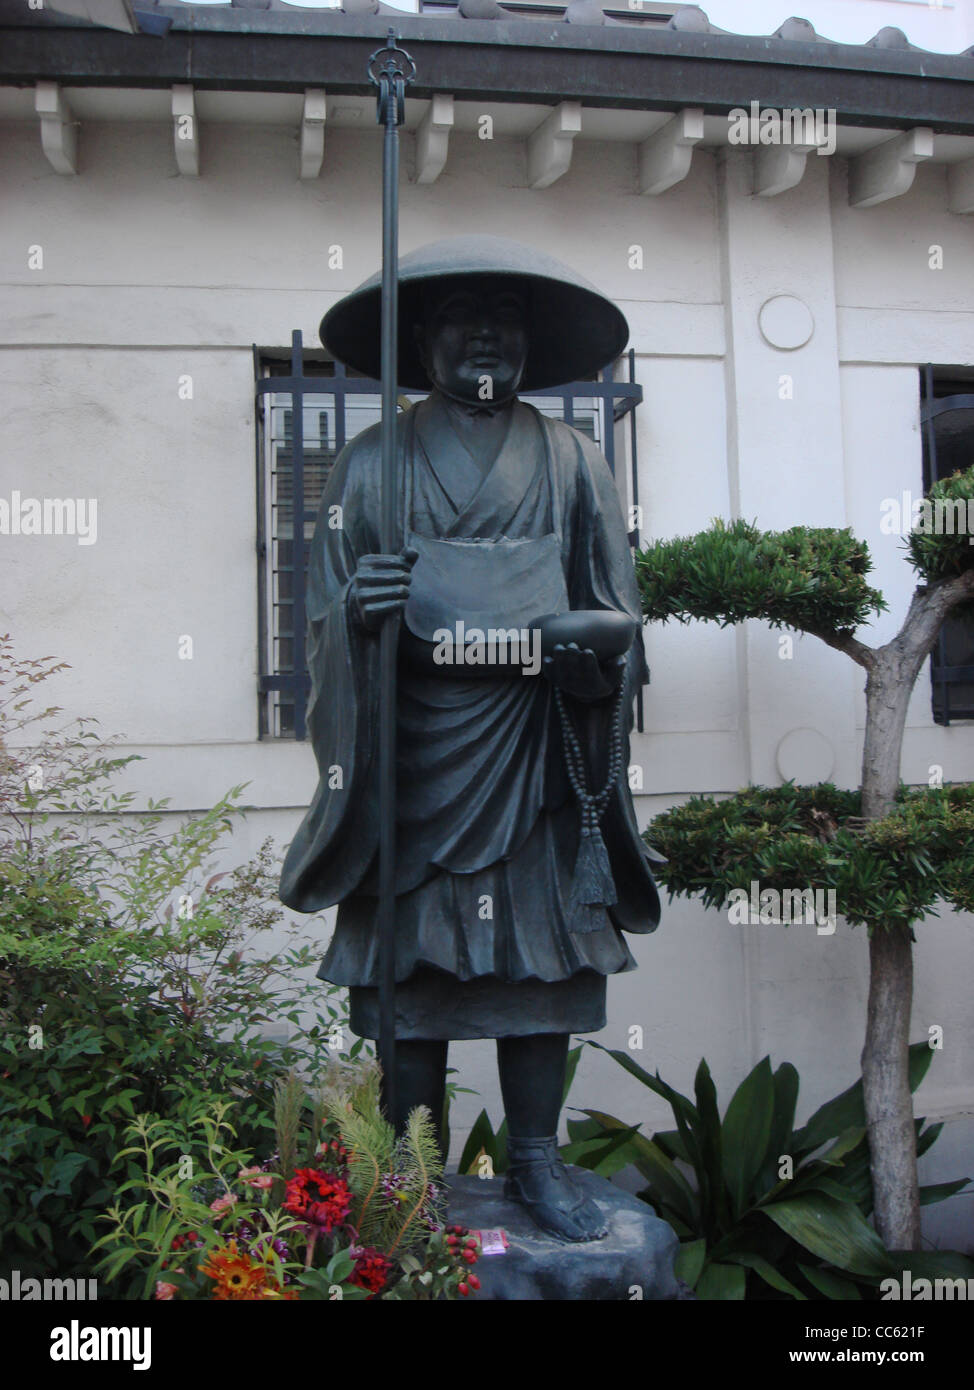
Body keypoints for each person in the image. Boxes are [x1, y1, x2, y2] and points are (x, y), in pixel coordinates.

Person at [280, 235, 663, 1242]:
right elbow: (323, 615)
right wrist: (358, 616)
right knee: (415, 970)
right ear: (424, 340)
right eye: (460, 316)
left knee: (537, 965)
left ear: (529, 343)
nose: (484, 331)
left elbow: (616, 609)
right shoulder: (370, 464)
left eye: (504, 314)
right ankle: (413, 1173)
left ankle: (535, 1158)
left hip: (535, 747)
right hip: (412, 756)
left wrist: (593, 658)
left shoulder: (575, 462)